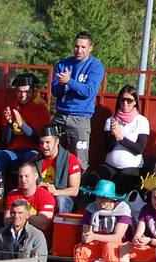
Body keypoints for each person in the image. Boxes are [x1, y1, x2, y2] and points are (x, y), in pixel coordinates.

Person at [73, 179, 133, 262]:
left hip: (119, 246)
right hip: (97, 243)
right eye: (98, 197)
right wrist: (86, 237)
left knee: (110, 247)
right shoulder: (91, 208)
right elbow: (85, 233)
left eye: (104, 198)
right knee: (81, 250)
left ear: (112, 198)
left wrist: (94, 236)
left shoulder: (123, 209)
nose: (100, 201)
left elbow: (118, 237)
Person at [50, 31, 104, 168]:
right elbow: (55, 91)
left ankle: (78, 188)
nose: (79, 50)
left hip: (80, 118)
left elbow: (88, 91)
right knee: (54, 155)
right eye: (76, 46)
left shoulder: (96, 66)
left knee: (79, 159)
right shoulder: (63, 64)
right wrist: (62, 84)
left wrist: (69, 81)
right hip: (60, 116)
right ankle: (54, 187)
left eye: (83, 47)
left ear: (90, 48)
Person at [0, 73, 50, 183]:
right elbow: (5, 141)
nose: (23, 95)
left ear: (33, 91)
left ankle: (26, 194)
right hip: (13, 151)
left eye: (27, 92)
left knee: (31, 158)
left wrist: (22, 124)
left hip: (32, 151)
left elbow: (39, 138)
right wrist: (9, 124)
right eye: (19, 91)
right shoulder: (11, 107)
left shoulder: (41, 108)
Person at [90, 84, 148, 196]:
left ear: (135, 102)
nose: (125, 104)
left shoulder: (141, 121)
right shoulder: (111, 120)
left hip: (132, 167)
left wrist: (121, 138)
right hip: (110, 165)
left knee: (120, 183)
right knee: (93, 179)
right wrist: (113, 135)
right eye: (122, 100)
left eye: (129, 101)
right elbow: (107, 147)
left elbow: (139, 149)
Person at [37, 125, 83, 213]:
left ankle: (59, 225)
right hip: (41, 196)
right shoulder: (36, 160)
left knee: (61, 200)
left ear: (57, 141)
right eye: (41, 143)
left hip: (62, 198)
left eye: (47, 142)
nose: (44, 146)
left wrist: (55, 192)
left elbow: (74, 190)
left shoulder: (70, 159)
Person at [3, 161, 57, 233]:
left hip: (39, 238)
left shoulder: (46, 196)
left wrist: (24, 215)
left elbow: (43, 224)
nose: (23, 180)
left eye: (26, 176)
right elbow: (7, 221)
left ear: (35, 176)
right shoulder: (12, 195)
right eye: (20, 176)